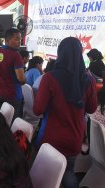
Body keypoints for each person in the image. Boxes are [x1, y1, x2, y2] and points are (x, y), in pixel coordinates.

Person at [33, 37, 97, 187]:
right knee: (68, 173)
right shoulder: (88, 79)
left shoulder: (49, 78)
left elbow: (38, 110)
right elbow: (91, 109)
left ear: (60, 53)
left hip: (51, 137)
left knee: (44, 177)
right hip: (75, 137)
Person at [0, 28, 26, 119]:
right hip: (13, 95)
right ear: (7, 40)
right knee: (14, 123)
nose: (19, 42)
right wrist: (25, 80)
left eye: (20, 39)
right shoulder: (16, 55)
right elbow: (21, 79)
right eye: (16, 39)